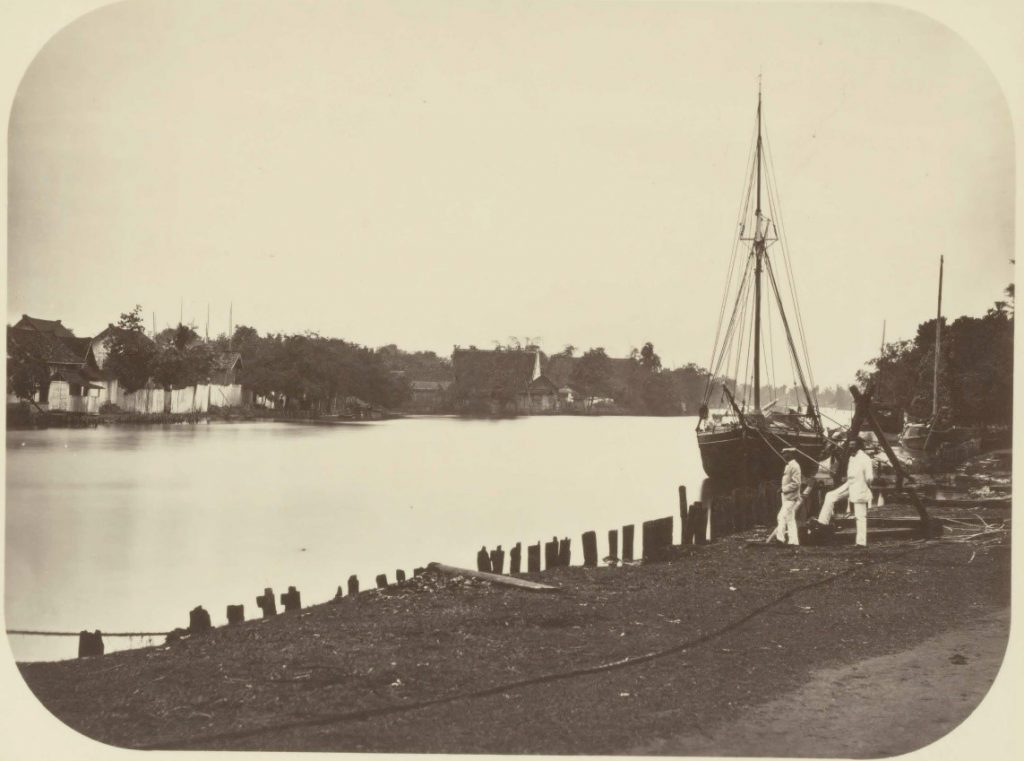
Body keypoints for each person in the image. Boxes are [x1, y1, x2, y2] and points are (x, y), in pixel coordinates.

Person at [768, 447, 803, 545]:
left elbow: (797, 483)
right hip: (787, 497)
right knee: (790, 519)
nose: (783, 455)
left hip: (791, 497)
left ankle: (780, 539)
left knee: (781, 516)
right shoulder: (789, 465)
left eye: (785, 453)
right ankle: (794, 541)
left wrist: (783, 489)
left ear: (790, 454)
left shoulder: (794, 466)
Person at [846, 437, 874, 547]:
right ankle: (822, 522)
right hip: (852, 488)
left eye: (853, 444)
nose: (850, 446)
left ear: (858, 446)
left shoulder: (865, 458)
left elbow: (869, 477)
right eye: (850, 444)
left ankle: (861, 542)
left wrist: (867, 486)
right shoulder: (852, 458)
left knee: (860, 516)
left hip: (860, 490)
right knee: (830, 496)